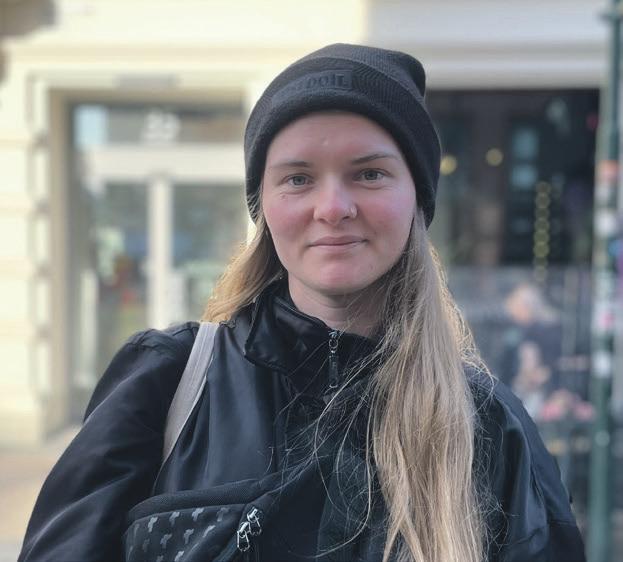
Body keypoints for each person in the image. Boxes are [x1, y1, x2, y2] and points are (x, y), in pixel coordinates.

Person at [19, 44, 585, 562]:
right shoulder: (166, 383)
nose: (332, 207)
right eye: (297, 178)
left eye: (369, 173)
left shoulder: (491, 428)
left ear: (417, 198)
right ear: (263, 204)